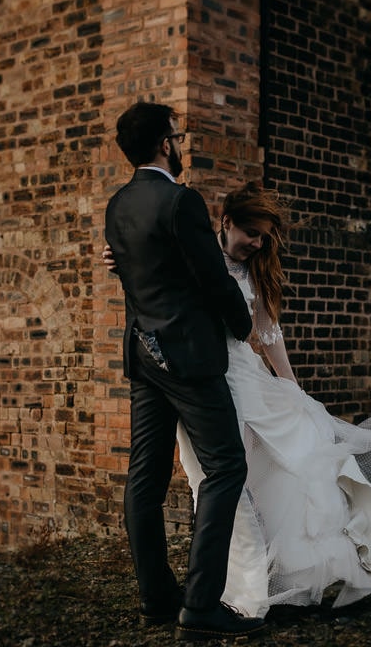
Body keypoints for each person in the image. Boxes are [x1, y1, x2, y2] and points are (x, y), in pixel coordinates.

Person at [104, 181, 371, 619]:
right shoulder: (194, 256)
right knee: (223, 487)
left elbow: (268, 332)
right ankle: (235, 589)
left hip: (250, 381)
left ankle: (284, 581)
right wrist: (120, 261)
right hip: (203, 385)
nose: (256, 243)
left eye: (263, 237)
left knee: (281, 474)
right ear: (226, 222)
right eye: (250, 233)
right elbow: (152, 278)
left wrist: (292, 388)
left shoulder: (257, 267)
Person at [103, 101, 266, 641]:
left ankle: (155, 596)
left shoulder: (118, 205)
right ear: (163, 145)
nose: (180, 145)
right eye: (176, 137)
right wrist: (243, 326)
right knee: (226, 468)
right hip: (189, 358)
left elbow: (143, 272)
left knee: (145, 477)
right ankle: (199, 605)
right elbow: (213, 279)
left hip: (144, 353)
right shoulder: (181, 201)